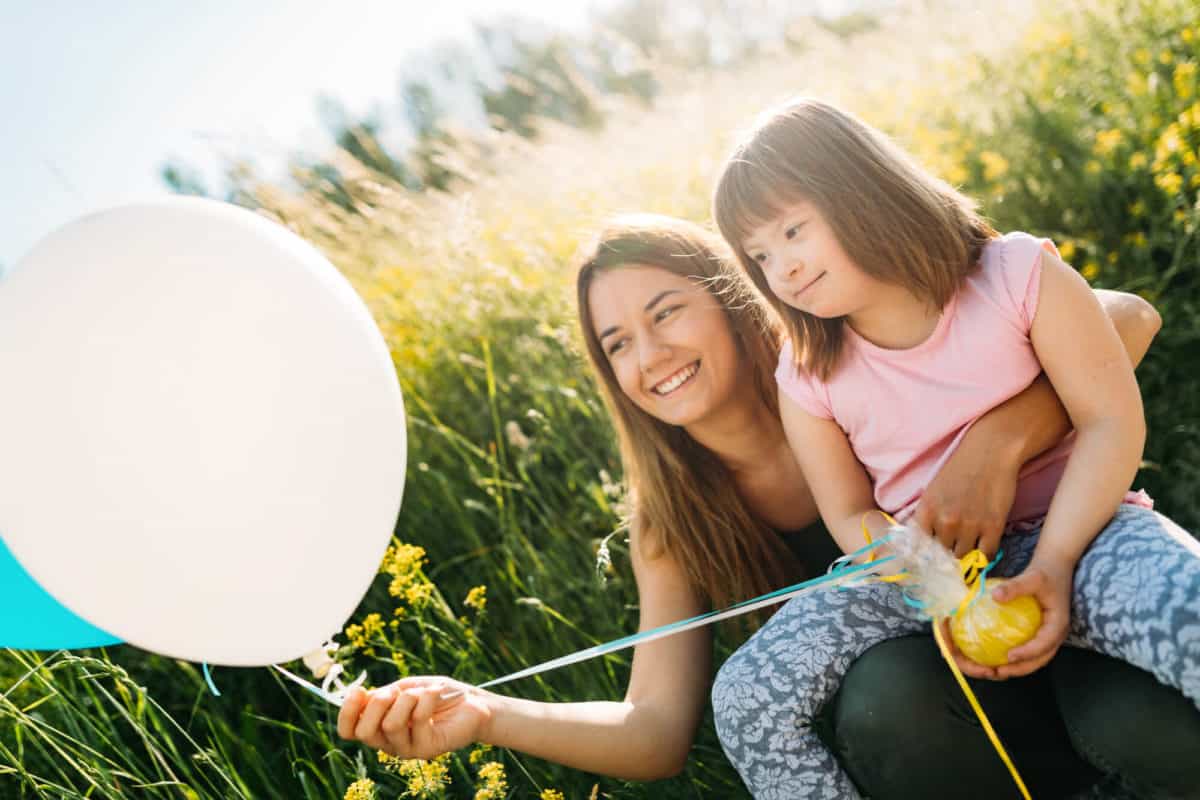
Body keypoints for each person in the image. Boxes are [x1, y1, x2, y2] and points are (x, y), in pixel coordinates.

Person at [336, 215, 1182, 798]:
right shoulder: (672, 522)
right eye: (618, 344)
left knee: (1143, 726)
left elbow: (1121, 317)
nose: (651, 355)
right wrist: (488, 714)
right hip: (944, 731)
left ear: (736, 296)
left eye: (667, 312)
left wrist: (994, 447)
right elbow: (655, 730)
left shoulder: (839, 368)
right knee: (886, 690)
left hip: (1059, 611)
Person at [710, 96, 1200, 798]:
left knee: (1192, 613)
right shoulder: (808, 372)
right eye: (759, 254)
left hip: (1086, 535)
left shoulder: (1015, 276)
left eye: (792, 231)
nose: (780, 268)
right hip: (925, 578)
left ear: (864, 193)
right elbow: (849, 513)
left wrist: (1057, 560)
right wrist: (934, 579)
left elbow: (1108, 421)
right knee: (746, 698)